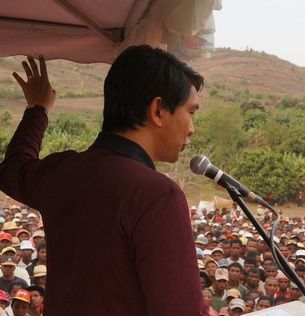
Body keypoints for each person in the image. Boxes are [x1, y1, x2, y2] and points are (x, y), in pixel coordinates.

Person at [0, 48, 205, 314]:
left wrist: (37, 108)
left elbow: (12, 167)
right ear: (157, 111)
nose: (192, 128)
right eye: (191, 112)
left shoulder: (60, 173)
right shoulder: (157, 195)